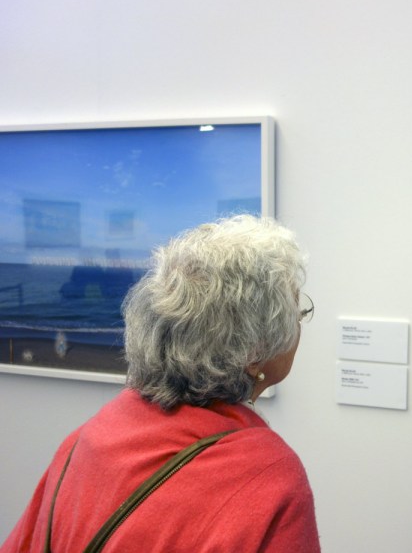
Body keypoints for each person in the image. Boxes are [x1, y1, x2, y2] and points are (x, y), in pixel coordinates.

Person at [1, 215, 321, 553]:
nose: (299, 324)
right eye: (297, 313)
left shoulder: (85, 438)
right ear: (255, 353)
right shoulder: (267, 475)